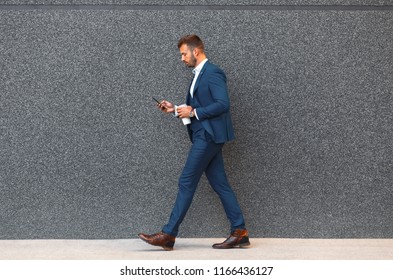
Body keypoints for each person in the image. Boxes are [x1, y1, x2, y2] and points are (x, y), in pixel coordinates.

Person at [138, 34, 249, 250]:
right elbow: (195, 108)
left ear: (195, 51)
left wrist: (194, 111)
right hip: (203, 135)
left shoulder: (213, 72)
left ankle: (168, 234)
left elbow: (222, 104)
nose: (182, 58)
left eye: (183, 53)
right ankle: (240, 231)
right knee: (220, 184)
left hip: (208, 137)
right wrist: (174, 110)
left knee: (186, 181)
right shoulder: (197, 75)